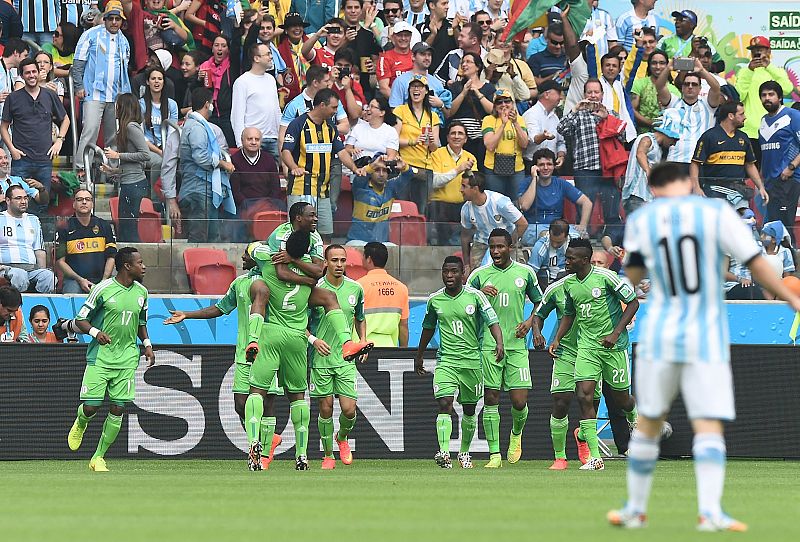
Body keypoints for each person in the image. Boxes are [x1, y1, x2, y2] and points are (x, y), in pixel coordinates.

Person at [607, 162, 800, 532]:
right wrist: (792, 300)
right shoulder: (715, 213)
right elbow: (756, 263)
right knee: (707, 423)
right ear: (689, 185)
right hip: (704, 332)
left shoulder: (645, 219)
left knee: (648, 419)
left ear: (655, 189)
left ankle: (635, 509)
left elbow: (632, 274)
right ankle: (709, 512)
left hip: (662, 330)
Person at [163, 244, 283, 469]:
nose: (243, 257)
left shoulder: (274, 284)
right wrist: (187, 315)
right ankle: (269, 439)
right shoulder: (239, 284)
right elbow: (220, 308)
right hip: (243, 353)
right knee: (240, 404)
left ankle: (262, 452)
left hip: (268, 351)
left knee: (266, 402)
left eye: (247, 254)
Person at [548, 238, 639, 471]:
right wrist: (558, 337)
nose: (566, 261)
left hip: (613, 348)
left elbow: (633, 302)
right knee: (584, 396)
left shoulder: (606, 278)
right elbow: (568, 314)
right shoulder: (569, 284)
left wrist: (616, 333)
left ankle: (633, 417)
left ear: (585, 260)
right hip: (587, 347)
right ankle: (595, 458)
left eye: (571, 258)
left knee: (621, 399)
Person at [64, 247, 155, 472]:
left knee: (118, 407)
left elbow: (141, 323)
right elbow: (81, 319)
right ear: (127, 266)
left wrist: (147, 346)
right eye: (140, 262)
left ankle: (98, 457)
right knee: (92, 406)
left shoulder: (142, 292)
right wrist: (96, 333)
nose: (144, 267)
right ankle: (81, 422)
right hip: (101, 357)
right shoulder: (103, 289)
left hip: (126, 358)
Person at [415, 255, 503, 469]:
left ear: (463, 273)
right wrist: (419, 355)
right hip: (446, 361)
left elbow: (493, 321)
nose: (449, 276)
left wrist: (499, 343)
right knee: (444, 403)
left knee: (470, 410)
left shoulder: (476, 297)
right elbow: (428, 328)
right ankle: (444, 452)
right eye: (446, 272)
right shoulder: (435, 299)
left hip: (472, 362)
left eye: (454, 272)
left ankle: (464, 452)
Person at [468, 228, 541, 468]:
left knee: (519, 401)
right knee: (491, 397)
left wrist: (530, 323)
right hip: (489, 345)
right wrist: (478, 293)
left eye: (501, 246)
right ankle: (494, 455)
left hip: (517, 345)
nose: (496, 251)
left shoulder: (526, 273)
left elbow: (541, 302)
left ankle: (516, 434)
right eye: (492, 247)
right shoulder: (479, 276)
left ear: (511, 247)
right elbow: (463, 300)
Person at [309, 244, 369, 469]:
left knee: (349, 409)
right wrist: (313, 339)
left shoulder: (355, 289)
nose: (339, 265)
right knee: (325, 409)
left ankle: (342, 437)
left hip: (346, 359)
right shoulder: (315, 289)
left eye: (342, 260)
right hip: (321, 358)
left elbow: (360, 317)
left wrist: (362, 341)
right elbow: (299, 321)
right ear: (325, 263)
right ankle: (327, 455)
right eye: (334, 260)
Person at [282, 89, 365, 241]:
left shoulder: (331, 128)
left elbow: (341, 152)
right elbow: (286, 151)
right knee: (298, 233)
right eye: (333, 107)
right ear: (322, 105)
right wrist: (294, 167)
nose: (335, 111)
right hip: (301, 187)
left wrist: (354, 168)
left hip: (323, 191)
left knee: (326, 234)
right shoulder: (298, 124)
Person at [1, 57, 68, 214]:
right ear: (22, 76)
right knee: (16, 202)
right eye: (27, 73)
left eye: (34, 72)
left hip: (44, 160)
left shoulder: (50, 95)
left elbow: (65, 120)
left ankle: (38, 237)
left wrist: (59, 141)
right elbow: (3, 127)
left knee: (43, 203)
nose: (31, 75)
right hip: (21, 160)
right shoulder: (13, 98)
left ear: (39, 73)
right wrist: (12, 149)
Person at [558, 79, 621, 238]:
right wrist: (575, 109)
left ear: (602, 94)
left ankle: (611, 240)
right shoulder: (578, 114)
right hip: (585, 168)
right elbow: (561, 129)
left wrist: (607, 118)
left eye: (596, 92)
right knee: (584, 209)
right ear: (584, 94)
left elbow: (623, 136)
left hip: (608, 168)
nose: (593, 95)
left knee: (611, 209)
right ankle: (583, 241)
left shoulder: (611, 113)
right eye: (589, 92)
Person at [73, 3, 132, 173]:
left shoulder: (124, 41)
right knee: (90, 130)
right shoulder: (90, 35)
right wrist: (78, 86)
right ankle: (81, 169)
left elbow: (124, 70)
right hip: (93, 92)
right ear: (104, 19)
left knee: (114, 135)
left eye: (118, 19)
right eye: (111, 18)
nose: (114, 22)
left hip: (116, 96)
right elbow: (78, 63)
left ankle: (111, 171)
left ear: (122, 21)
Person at [178, 87, 236, 243]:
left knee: (211, 236)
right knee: (199, 236)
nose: (212, 106)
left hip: (204, 188)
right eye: (211, 103)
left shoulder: (199, 125)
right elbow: (201, 157)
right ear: (206, 104)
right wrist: (222, 163)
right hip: (197, 189)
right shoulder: (196, 127)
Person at [691, 101, 766, 203]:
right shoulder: (709, 136)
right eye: (741, 114)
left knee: (746, 217)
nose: (745, 117)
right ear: (731, 116)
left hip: (739, 190)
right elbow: (695, 163)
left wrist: (760, 187)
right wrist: (696, 187)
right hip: (714, 191)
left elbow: (750, 165)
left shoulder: (744, 138)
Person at [655, 58, 721, 171]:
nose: (690, 86)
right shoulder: (673, 103)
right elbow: (659, 87)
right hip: (674, 160)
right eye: (687, 84)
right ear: (682, 87)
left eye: (694, 84)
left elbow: (716, 88)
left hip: (700, 160)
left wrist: (701, 70)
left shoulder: (707, 104)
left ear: (700, 88)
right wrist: (668, 69)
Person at [101, 93, 150, 243]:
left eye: (118, 105)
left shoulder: (131, 127)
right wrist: (113, 171)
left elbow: (145, 154)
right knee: (125, 226)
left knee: (129, 227)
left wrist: (118, 155)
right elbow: (131, 166)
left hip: (134, 184)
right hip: (129, 181)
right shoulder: (125, 128)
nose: (115, 108)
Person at [736, 36, 794, 162]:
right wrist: (749, 71)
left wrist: (769, 67)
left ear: (769, 51)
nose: (757, 53)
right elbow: (739, 96)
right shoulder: (744, 72)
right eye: (754, 50)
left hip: (773, 130)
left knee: (771, 171)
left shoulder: (776, 71)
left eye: (760, 49)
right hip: (749, 131)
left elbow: (787, 89)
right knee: (750, 174)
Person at [518, 150, 592, 244]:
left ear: (554, 166)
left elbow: (587, 202)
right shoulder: (526, 182)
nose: (545, 168)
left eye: (549, 164)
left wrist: (583, 225)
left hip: (557, 228)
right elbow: (524, 206)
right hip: (533, 228)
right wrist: (534, 179)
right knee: (546, 237)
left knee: (576, 238)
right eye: (541, 165)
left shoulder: (560, 183)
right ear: (535, 167)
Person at [460, 171, 527, 273]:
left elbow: (522, 224)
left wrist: (510, 244)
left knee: (519, 272)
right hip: (482, 244)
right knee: (477, 277)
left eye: (464, 186)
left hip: (506, 242)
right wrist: (466, 265)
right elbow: (465, 236)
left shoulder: (500, 202)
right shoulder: (466, 209)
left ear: (475, 189)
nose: (461, 190)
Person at [758, 81, 800, 236]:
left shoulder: (792, 115)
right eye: (763, 95)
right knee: (771, 229)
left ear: (780, 97)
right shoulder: (763, 120)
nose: (767, 98)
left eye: (771, 94)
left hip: (787, 180)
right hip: (769, 183)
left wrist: (791, 168)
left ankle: (790, 260)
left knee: (784, 230)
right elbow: (765, 151)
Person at [394, 74, 440, 214]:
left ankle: (419, 236)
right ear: (409, 90)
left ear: (426, 91)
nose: (416, 90)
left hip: (425, 167)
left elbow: (435, 147)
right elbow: (393, 139)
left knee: (422, 209)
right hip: (404, 165)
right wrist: (413, 141)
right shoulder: (400, 110)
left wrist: (432, 141)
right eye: (413, 86)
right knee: (402, 206)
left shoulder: (433, 116)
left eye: (420, 87)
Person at [55, 189, 117, 294]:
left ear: (92, 203)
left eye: (87, 199)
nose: (84, 202)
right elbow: (60, 262)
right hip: (74, 280)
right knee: (71, 296)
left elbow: (111, 257)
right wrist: (80, 279)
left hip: (102, 279)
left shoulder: (104, 226)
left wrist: (104, 281)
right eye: (79, 199)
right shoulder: (64, 228)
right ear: (74, 204)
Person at [429, 122, 477, 246]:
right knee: (441, 245)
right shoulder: (436, 154)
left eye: (460, 133)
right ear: (447, 137)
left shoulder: (470, 157)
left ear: (465, 139)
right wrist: (458, 169)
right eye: (453, 133)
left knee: (463, 243)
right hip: (440, 206)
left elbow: (474, 185)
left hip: (463, 205)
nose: (456, 136)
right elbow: (434, 182)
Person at [0, 185, 54, 293]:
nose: (23, 201)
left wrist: (41, 269)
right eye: (18, 198)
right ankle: (17, 308)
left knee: (48, 277)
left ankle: (39, 307)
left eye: (25, 198)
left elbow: (39, 249)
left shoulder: (33, 220)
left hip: (31, 269)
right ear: (8, 200)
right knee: (19, 275)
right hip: (7, 268)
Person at [231, 42, 281, 158]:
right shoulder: (242, 81)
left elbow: (276, 110)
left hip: (274, 139)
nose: (271, 57)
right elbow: (237, 116)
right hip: (253, 140)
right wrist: (240, 143)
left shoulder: (271, 80)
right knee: (253, 176)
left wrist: (280, 136)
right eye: (267, 54)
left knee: (273, 176)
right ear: (256, 58)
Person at [622, 115, 679, 215]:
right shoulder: (647, 139)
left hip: (647, 195)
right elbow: (640, 154)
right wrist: (648, 171)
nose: (674, 143)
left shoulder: (659, 148)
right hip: (637, 194)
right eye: (674, 140)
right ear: (668, 135)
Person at [446, 52, 495, 167]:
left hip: (480, 139)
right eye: (463, 62)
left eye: (468, 62)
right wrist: (463, 92)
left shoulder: (488, 88)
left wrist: (478, 93)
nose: (464, 65)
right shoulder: (456, 86)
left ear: (477, 67)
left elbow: (492, 110)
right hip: (460, 137)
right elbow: (450, 112)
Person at [348, 155, 411, 244]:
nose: (381, 174)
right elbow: (361, 176)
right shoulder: (360, 187)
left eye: (384, 170)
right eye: (377, 170)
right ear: (371, 172)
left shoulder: (391, 187)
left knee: (394, 249)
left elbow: (408, 175)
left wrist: (404, 167)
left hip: (381, 243)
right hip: (357, 241)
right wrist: (373, 165)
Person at [358, 241, 409, 347]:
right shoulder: (401, 288)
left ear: (369, 259)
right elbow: (403, 326)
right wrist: (404, 352)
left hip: (362, 348)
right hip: (390, 349)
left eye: (363, 256)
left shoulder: (358, 286)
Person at [481, 89, 528, 199]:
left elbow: (524, 144)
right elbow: (490, 145)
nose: (503, 105)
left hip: (517, 168)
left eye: (507, 101)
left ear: (512, 103)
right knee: (496, 203)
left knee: (516, 203)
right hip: (493, 168)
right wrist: (503, 124)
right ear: (494, 105)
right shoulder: (489, 120)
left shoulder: (520, 120)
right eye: (499, 102)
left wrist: (515, 122)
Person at [389, 41, 450, 124]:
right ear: (413, 57)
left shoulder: (437, 83)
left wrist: (441, 105)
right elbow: (394, 112)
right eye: (422, 54)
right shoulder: (400, 81)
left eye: (429, 55)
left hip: (432, 130)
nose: (427, 58)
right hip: (408, 130)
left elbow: (447, 115)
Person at [197, 35, 241, 147]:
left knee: (231, 147)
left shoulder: (232, 66)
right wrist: (198, 80)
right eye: (216, 45)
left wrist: (236, 27)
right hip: (210, 115)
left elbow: (237, 47)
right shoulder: (205, 66)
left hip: (227, 116)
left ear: (228, 50)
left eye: (223, 46)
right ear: (212, 49)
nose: (220, 49)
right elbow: (196, 93)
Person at [230, 127, 283, 217]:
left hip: (267, 206)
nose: (254, 142)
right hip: (243, 207)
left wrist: (267, 206)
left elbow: (275, 188)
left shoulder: (269, 159)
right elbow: (235, 191)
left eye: (257, 139)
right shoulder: (235, 160)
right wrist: (250, 207)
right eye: (250, 139)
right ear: (242, 141)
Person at [139, 66, 178, 186]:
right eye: (153, 78)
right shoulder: (141, 104)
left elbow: (173, 132)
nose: (156, 81)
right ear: (147, 82)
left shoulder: (171, 104)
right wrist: (159, 151)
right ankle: (155, 200)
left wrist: (167, 151)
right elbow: (140, 135)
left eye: (160, 79)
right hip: (148, 148)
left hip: (167, 147)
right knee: (159, 162)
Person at [630, 49, 677, 135]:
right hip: (641, 134)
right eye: (654, 63)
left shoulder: (674, 89)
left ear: (667, 65)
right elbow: (632, 109)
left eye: (662, 63)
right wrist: (650, 123)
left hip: (666, 136)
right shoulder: (639, 83)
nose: (658, 66)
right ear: (649, 65)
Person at [522, 80, 566, 169]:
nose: (561, 97)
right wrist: (544, 136)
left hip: (551, 165)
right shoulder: (531, 114)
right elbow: (532, 139)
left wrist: (561, 156)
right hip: (533, 165)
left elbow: (560, 142)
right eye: (558, 93)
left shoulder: (555, 117)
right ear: (546, 95)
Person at [345, 96, 400, 163]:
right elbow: (347, 149)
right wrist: (352, 151)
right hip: (357, 167)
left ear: (382, 113)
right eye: (368, 106)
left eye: (372, 106)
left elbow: (391, 156)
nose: (368, 109)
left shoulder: (390, 131)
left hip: (379, 169)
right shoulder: (358, 127)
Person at [432, 22, 484, 86]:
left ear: (474, 40)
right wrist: (446, 83)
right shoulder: (452, 55)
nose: (458, 39)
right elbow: (436, 78)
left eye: (462, 36)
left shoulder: (486, 58)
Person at [276, 12, 312, 102]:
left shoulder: (313, 44)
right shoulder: (280, 51)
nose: (297, 29)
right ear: (286, 30)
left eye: (300, 26)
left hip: (313, 94)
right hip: (292, 98)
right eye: (293, 26)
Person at [527, 219, 571, 286]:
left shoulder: (574, 243)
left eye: (558, 242)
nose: (554, 245)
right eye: (552, 240)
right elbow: (530, 274)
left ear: (566, 237)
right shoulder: (540, 247)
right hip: (548, 284)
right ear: (549, 233)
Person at [378, 21, 415, 98]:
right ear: (393, 37)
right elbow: (384, 88)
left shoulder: (416, 56)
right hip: (395, 102)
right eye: (399, 35)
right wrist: (400, 104)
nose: (403, 38)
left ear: (411, 37)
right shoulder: (385, 58)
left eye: (406, 35)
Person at [528, 23, 567, 88]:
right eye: (554, 43)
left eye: (561, 43)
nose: (558, 46)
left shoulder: (569, 59)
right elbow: (533, 82)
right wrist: (554, 76)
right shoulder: (535, 58)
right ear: (546, 40)